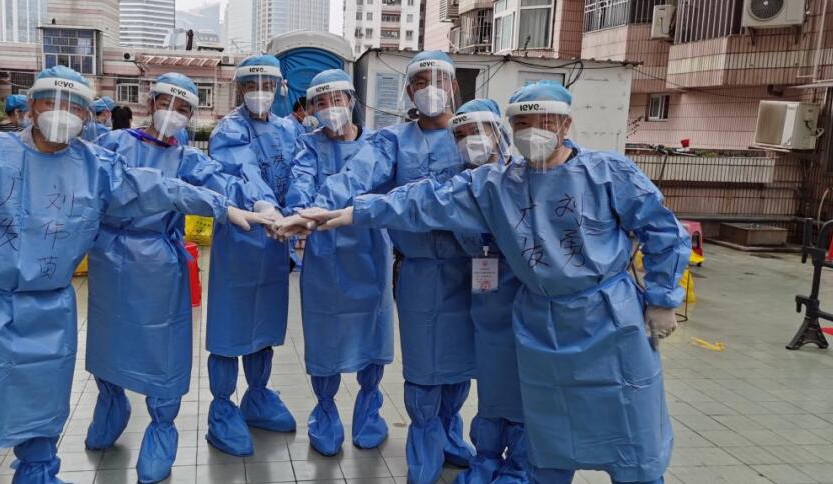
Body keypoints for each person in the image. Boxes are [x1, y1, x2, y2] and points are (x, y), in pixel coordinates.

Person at [293, 80, 691, 484]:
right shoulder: (497, 184)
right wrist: (347, 214)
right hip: (542, 322)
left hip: (609, 319)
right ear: (512, 128)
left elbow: (663, 229)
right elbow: (422, 200)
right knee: (548, 431)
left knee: (628, 425)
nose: (533, 131)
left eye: (545, 121)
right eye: (524, 123)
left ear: (566, 124)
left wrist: (662, 297)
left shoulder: (607, 173)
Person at [0, 65, 270, 484]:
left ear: (86, 116)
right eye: (52, 103)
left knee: (43, 403)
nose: (62, 114)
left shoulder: (94, 164)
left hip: (51, 305)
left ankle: (38, 475)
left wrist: (226, 207)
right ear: (31, 106)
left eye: (75, 107)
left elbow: (156, 187)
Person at [283, 50, 478, 483]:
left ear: (454, 86)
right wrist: (312, 210)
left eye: (439, 80)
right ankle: (423, 439)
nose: (431, 89)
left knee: (462, 359)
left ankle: (451, 431)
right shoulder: (392, 141)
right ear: (408, 91)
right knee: (423, 364)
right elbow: (356, 176)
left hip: (469, 266)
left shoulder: (471, 133)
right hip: (418, 266)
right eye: (421, 81)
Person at [82, 73, 276, 483]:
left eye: (184, 108)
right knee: (107, 339)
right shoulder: (113, 144)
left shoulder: (187, 158)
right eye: (167, 103)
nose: (173, 113)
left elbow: (223, 180)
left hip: (159, 261)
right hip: (109, 255)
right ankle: (111, 403)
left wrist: (261, 203)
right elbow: (119, 186)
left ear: (192, 115)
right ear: (150, 103)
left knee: (164, 349)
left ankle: (161, 428)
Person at [278, 69, 394, 457]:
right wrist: (298, 214)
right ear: (311, 109)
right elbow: (300, 185)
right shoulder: (307, 146)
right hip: (325, 257)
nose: (330, 108)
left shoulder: (378, 143)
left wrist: (314, 212)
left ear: (351, 101)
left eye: (337, 100)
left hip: (369, 252)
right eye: (321, 103)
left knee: (373, 331)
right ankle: (325, 413)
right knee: (324, 334)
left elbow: (375, 183)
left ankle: (369, 412)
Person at [204, 54, 300, 457]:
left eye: (267, 85)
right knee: (231, 326)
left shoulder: (289, 130)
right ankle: (223, 408)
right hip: (241, 239)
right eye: (251, 85)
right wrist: (264, 204)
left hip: (276, 242)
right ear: (239, 88)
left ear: (279, 88)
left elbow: (300, 173)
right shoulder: (229, 129)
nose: (260, 92)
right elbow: (241, 170)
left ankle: (258, 396)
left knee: (264, 323)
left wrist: (297, 213)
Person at [445, 99, 530, 484]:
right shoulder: (460, 186)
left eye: (477, 131)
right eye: (461, 134)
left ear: (499, 132)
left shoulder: (524, 179)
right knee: (493, 387)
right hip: (486, 303)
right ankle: (487, 458)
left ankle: (520, 466)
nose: (470, 140)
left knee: (524, 389)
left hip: (527, 304)